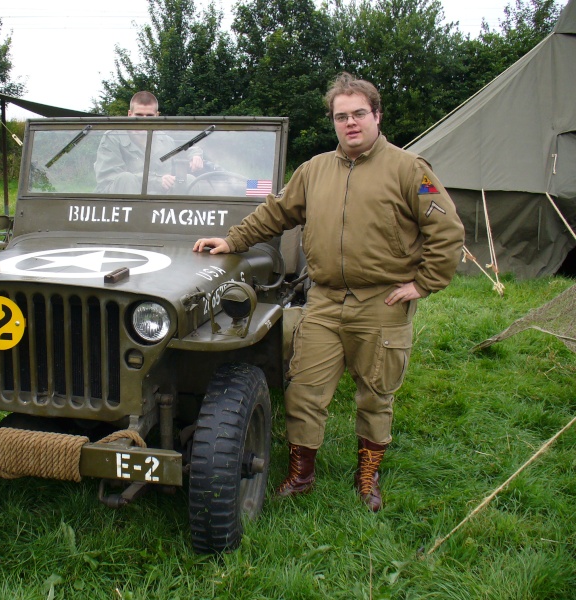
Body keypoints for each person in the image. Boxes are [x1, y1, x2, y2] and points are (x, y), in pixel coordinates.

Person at [193, 72, 464, 511]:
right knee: (303, 389)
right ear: (333, 122)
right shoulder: (313, 170)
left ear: (376, 115)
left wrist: (423, 283)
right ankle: (301, 475)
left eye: (359, 113)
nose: (350, 123)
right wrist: (233, 241)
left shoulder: (410, 170)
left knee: (375, 391)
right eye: (342, 116)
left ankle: (367, 476)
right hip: (323, 299)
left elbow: (447, 230)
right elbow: (275, 213)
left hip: (382, 301)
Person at [94, 91, 203, 194]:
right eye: (139, 115)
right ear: (130, 114)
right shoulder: (113, 137)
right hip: (119, 205)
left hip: (158, 205)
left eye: (149, 116)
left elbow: (182, 148)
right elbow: (110, 179)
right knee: (125, 178)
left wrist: (195, 155)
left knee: (189, 180)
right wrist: (156, 181)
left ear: (157, 115)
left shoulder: (165, 140)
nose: (144, 120)